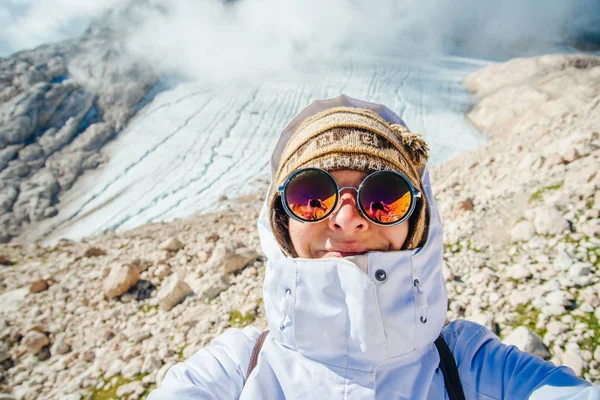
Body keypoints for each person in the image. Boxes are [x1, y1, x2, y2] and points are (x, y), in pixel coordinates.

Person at [148, 95, 599, 399]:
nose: (347, 218)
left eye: (385, 196)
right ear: (280, 219)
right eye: (311, 195)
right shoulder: (234, 371)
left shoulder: (474, 365)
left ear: (418, 222)